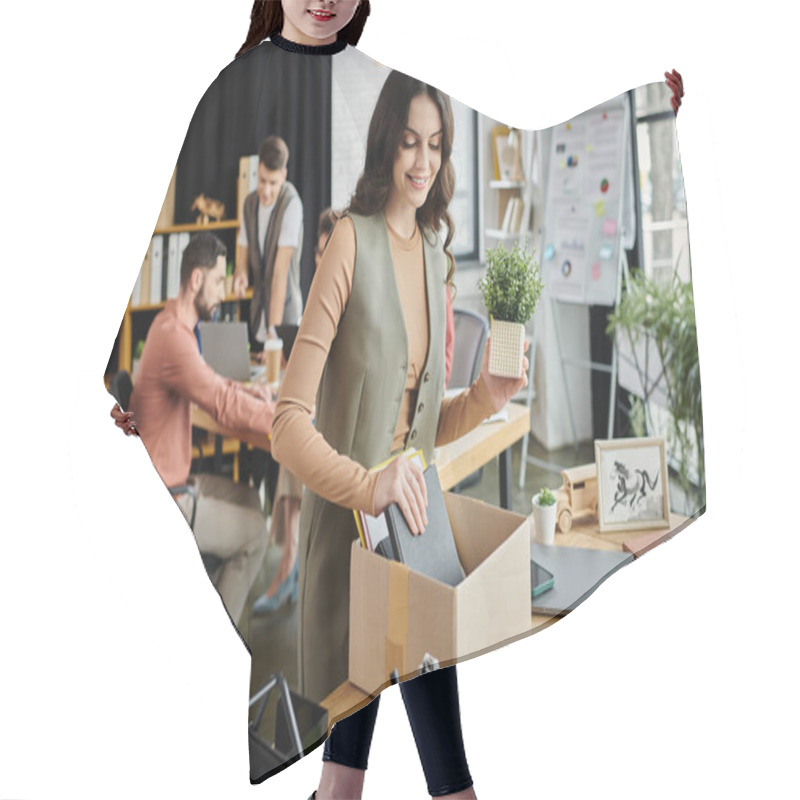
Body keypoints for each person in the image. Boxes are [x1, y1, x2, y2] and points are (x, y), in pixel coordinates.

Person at [271, 66, 529, 799]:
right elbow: (288, 424)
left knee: (405, 773)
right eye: (410, 143)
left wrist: (484, 396)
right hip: (351, 545)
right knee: (419, 774)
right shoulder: (347, 244)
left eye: (437, 146)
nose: (423, 162)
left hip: (413, 539)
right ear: (387, 145)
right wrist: (370, 481)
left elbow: (419, 432)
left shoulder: (439, 260)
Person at [116, 232, 275, 630]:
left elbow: (214, 384)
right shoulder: (174, 338)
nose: (223, 291)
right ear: (196, 281)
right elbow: (220, 404)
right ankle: (213, 640)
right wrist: (283, 419)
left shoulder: (172, 327)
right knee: (257, 534)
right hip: (165, 501)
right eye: (219, 281)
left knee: (251, 502)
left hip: (169, 482)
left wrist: (252, 391)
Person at [234, 134, 304, 349]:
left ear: (283, 175)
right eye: (262, 180)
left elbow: (279, 274)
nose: (265, 190)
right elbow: (243, 249)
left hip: (284, 319)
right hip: (259, 315)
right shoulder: (249, 204)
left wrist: (274, 335)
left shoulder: (291, 204)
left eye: (273, 183)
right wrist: (241, 275)